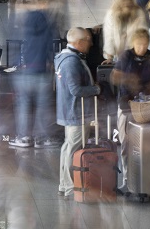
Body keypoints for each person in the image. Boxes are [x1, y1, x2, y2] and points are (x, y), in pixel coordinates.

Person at [9, 0, 59, 148]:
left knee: (23, 106)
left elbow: (14, 44)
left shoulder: (21, 21)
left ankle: (24, 137)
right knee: (43, 106)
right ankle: (42, 138)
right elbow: (51, 45)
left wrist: (16, 64)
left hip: (23, 70)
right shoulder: (48, 22)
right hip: (42, 70)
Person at [112, 29, 150, 193]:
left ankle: (147, 178)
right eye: (139, 44)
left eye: (145, 45)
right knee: (126, 142)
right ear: (133, 43)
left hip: (146, 106)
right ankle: (127, 179)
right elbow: (115, 76)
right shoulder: (126, 56)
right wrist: (129, 80)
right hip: (127, 105)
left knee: (147, 143)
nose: (142, 48)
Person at [54, 27, 101, 199]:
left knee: (68, 147)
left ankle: (64, 184)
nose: (91, 44)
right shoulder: (71, 62)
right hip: (77, 112)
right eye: (88, 40)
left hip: (69, 110)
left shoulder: (62, 57)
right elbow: (76, 90)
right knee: (73, 149)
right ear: (79, 42)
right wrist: (96, 89)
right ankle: (69, 187)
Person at [102, 0, 148, 64]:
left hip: (134, 54)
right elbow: (109, 36)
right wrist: (110, 57)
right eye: (124, 4)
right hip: (117, 54)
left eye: (129, 5)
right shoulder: (111, 14)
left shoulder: (138, 13)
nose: (127, 5)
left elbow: (142, 34)